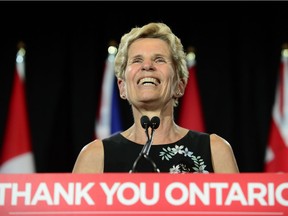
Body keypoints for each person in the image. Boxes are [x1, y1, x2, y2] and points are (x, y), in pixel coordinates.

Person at [72, 22, 239, 174]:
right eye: (137, 60)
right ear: (122, 87)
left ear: (179, 86)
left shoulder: (215, 151)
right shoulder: (95, 156)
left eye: (159, 59)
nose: (147, 66)